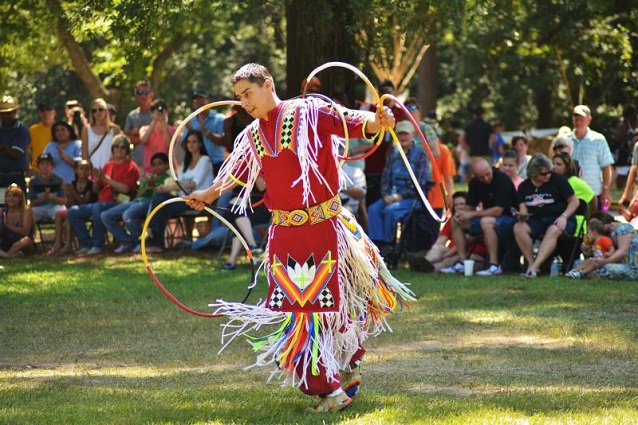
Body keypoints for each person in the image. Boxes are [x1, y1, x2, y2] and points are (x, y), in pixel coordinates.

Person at [183, 63, 413, 413]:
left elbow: (350, 121)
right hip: (286, 236)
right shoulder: (252, 136)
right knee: (303, 309)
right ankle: (337, 377)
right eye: (239, 97)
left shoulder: (310, 110)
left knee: (324, 306)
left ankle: (336, 383)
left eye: (248, 93)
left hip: (325, 227)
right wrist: (209, 193)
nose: (244, 102)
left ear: (268, 85)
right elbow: (234, 174)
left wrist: (376, 121)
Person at [440, 158, 517, 276]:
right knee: (456, 222)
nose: (486, 179)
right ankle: (462, 262)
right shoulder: (474, 183)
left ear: (491, 168)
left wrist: (470, 214)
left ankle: (494, 265)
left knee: (486, 222)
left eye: (487, 174)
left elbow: (498, 210)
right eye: (481, 177)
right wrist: (460, 215)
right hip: (487, 218)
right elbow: (469, 207)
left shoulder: (503, 180)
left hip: (509, 219)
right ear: (475, 176)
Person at [143, 130, 213, 253]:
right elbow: (178, 183)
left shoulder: (205, 160)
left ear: (200, 144)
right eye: (188, 142)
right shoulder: (186, 164)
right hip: (185, 199)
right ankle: (155, 240)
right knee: (160, 198)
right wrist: (163, 188)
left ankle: (152, 235)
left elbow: (194, 183)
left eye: (194, 142)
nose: (191, 145)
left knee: (161, 200)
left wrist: (169, 188)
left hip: (199, 201)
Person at [68, 135, 140, 255]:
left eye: (122, 147)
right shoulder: (109, 165)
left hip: (118, 202)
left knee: (98, 207)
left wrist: (105, 178)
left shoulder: (131, 166)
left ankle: (98, 244)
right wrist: (97, 179)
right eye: (116, 147)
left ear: (127, 150)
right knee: (73, 211)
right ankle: (87, 243)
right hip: (101, 201)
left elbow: (126, 189)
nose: (119, 150)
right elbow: (97, 189)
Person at [514, 154, 580, 277]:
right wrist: (522, 215)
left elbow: (574, 201)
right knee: (519, 227)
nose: (548, 176)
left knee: (554, 229)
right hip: (538, 219)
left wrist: (564, 216)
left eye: (549, 172)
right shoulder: (524, 187)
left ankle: (534, 267)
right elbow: (523, 209)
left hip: (562, 218)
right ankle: (532, 263)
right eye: (543, 174)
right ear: (533, 174)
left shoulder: (558, 180)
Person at [367, 120, 430, 248]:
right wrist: (385, 195)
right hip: (390, 195)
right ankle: (378, 244)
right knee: (373, 209)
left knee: (390, 211)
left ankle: (389, 245)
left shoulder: (421, 155)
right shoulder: (392, 153)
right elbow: (385, 177)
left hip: (411, 198)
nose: (403, 137)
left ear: (412, 135)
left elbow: (421, 182)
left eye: (406, 134)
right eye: (400, 134)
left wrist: (399, 197)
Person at [102, 152, 171, 254]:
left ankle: (140, 242)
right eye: (154, 164)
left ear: (166, 165)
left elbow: (161, 197)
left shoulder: (168, 179)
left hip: (150, 203)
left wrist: (152, 186)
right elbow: (138, 196)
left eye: (160, 163)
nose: (157, 167)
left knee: (128, 215)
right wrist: (146, 186)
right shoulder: (149, 178)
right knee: (105, 216)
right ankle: (130, 243)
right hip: (137, 201)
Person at [406, 191, 487, 273]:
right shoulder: (452, 220)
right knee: (438, 248)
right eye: (456, 205)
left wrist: (445, 256)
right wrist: (437, 249)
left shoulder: (475, 221)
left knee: (451, 259)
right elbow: (440, 240)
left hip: (473, 253)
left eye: (462, 204)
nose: (459, 207)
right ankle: (425, 261)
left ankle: (431, 268)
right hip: (452, 250)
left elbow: (465, 242)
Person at [361, 79, 407, 207]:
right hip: (372, 161)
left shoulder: (401, 113)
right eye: (383, 92)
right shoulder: (370, 109)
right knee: (371, 199)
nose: (386, 95)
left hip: (391, 162)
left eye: (389, 92)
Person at [567, 212, 638, 280]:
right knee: (579, 263)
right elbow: (590, 250)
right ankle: (582, 273)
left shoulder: (623, 228)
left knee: (606, 268)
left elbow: (623, 251)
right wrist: (587, 247)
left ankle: (583, 273)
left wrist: (605, 261)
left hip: (630, 267)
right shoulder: (602, 236)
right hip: (611, 263)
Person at [570, 104, 614, 211]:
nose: (578, 122)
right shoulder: (566, 140)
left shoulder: (598, 139)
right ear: (572, 120)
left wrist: (606, 189)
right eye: (576, 119)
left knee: (594, 222)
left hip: (594, 191)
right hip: (571, 193)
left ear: (589, 120)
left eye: (582, 119)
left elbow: (606, 166)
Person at [48, 159, 96, 256]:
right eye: (81, 168)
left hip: (87, 210)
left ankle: (68, 245)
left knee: (69, 215)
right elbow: (73, 203)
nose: (84, 171)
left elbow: (84, 203)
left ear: (90, 171)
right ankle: (58, 243)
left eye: (87, 169)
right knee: (58, 214)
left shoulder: (91, 185)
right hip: (75, 208)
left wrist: (72, 191)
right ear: (76, 171)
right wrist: (69, 193)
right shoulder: (73, 183)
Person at [184, 90, 226, 174]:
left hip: (217, 164)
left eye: (201, 99)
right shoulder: (190, 121)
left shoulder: (219, 119)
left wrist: (205, 131)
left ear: (209, 101)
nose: (198, 102)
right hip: (197, 165)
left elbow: (224, 141)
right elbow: (184, 146)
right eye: (195, 100)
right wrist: (192, 132)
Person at [0, 95, 30, 192]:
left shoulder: (22, 130)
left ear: (15, 112)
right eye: (3, 113)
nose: (6, 116)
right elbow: (10, 151)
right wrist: (6, 148)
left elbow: (16, 154)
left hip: (15, 176)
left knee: (17, 206)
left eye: (9, 113)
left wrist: (5, 148)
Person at [81, 98, 120, 169]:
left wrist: (108, 168)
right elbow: (84, 154)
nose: (97, 112)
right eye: (94, 111)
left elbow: (118, 152)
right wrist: (91, 170)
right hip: (91, 171)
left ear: (106, 111)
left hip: (111, 170)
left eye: (100, 109)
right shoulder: (86, 130)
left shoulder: (115, 129)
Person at [27, 153, 67, 222]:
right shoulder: (33, 181)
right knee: (27, 213)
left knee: (62, 211)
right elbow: (32, 204)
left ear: (52, 166)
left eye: (47, 163)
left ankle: (59, 232)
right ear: (38, 166)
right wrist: (44, 198)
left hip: (54, 207)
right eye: (42, 164)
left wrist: (51, 197)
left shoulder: (59, 180)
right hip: (40, 208)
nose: (44, 166)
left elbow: (64, 201)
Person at [139, 99, 175, 175]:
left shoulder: (173, 130)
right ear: (151, 113)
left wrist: (164, 123)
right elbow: (144, 140)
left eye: (162, 111)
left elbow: (171, 145)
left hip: (168, 171)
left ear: (166, 112)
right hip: (149, 170)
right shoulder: (144, 129)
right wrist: (154, 121)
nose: (159, 113)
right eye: (155, 111)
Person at [124, 80, 154, 168]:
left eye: (146, 92)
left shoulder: (157, 114)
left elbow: (157, 137)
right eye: (140, 92)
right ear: (135, 94)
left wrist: (137, 134)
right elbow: (126, 139)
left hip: (155, 164)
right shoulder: (132, 115)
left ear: (151, 94)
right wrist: (146, 134)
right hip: (136, 163)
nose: (143, 96)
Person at [0, 184, 34, 257]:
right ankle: (10, 256)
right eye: (8, 196)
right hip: (5, 241)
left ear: (20, 199)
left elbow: (25, 232)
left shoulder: (26, 211)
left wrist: (9, 226)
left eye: (14, 196)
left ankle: (5, 256)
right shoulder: (3, 211)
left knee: (25, 241)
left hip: (21, 242)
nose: (11, 199)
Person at [612, 104, 638, 190]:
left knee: (632, 170)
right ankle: (619, 187)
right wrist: (632, 136)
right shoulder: (622, 123)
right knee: (622, 172)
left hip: (632, 151)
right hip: (623, 152)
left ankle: (628, 188)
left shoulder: (635, 122)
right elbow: (619, 137)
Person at [28, 102, 56, 171]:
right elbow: (26, 150)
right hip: (37, 170)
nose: (45, 112)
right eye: (42, 110)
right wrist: (28, 167)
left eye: (48, 109)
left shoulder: (60, 129)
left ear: (54, 112)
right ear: (39, 113)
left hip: (57, 170)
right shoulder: (33, 129)